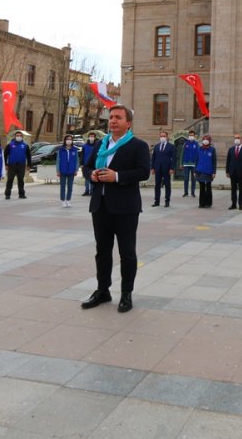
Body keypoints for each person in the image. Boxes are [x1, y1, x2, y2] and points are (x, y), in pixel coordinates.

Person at [81, 104, 151, 313]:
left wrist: (117, 176)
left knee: (127, 253)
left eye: (118, 117)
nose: (113, 120)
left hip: (125, 208)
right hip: (100, 205)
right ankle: (103, 290)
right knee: (102, 252)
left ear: (128, 123)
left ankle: (126, 294)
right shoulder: (101, 144)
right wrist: (92, 175)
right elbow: (86, 166)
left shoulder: (138, 145)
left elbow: (143, 172)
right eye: (111, 117)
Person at [226, 133, 242, 210]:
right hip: (232, 172)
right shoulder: (231, 149)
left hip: (241, 173)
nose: (236, 139)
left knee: (241, 189)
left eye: (238, 138)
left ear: (241, 139)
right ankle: (233, 204)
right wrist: (227, 171)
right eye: (235, 138)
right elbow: (228, 161)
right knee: (233, 189)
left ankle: (240, 204)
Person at [150, 130, 174, 207]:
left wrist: (172, 168)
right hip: (157, 168)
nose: (162, 137)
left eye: (164, 136)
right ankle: (157, 201)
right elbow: (153, 158)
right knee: (157, 185)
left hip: (167, 168)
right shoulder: (156, 146)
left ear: (167, 137)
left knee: (167, 185)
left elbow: (173, 158)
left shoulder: (171, 146)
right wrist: (152, 168)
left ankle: (167, 201)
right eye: (161, 136)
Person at [4, 130, 29, 199]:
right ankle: (7, 194)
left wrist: (29, 165)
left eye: (20, 136)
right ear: (15, 137)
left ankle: (21, 194)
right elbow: (5, 155)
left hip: (21, 165)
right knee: (10, 179)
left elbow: (28, 155)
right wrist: (5, 164)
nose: (19, 137)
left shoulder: (25, 145)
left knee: (21, 180)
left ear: (22, 137)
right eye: (17, 136)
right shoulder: (10, 145)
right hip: (12, 165)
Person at [194, 134, 217, 209]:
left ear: (209, 141)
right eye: (204, 139)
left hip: (209, 171)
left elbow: (214, 162)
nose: (205, 141)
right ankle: (201, 203)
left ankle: (208, 203)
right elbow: (196, 160)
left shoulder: (212, 150)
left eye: (207, 139)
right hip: (200, 171)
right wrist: (195, 171)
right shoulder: (199, 149)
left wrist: (214, 172)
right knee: (202, 187)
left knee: (208, 187)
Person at [57, 134, 80, 208]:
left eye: (70, 139)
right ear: (65, 140)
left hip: (71, 171)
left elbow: (77, 160)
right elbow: (58, 161)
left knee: (70, 187)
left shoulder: (74, 149)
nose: (69, 141)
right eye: (67, 139)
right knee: (62, 186)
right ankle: (63, 200)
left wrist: (76, 169)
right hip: (62, 170)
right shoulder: (60, 149)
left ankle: (68, 200)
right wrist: (58, 170)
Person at [181, 131, 199, 198]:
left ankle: (193, 192)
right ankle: (185, 192)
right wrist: (181, 163)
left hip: (194, 164)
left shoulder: (196, 144)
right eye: (190, 135)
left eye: (192, 135)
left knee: (193, 179)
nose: (191, 136)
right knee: (186, 178)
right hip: (186, 164)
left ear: (194, 136)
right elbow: (182, 154)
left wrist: (198, 164)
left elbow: (198, 155)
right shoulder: (185, 144)